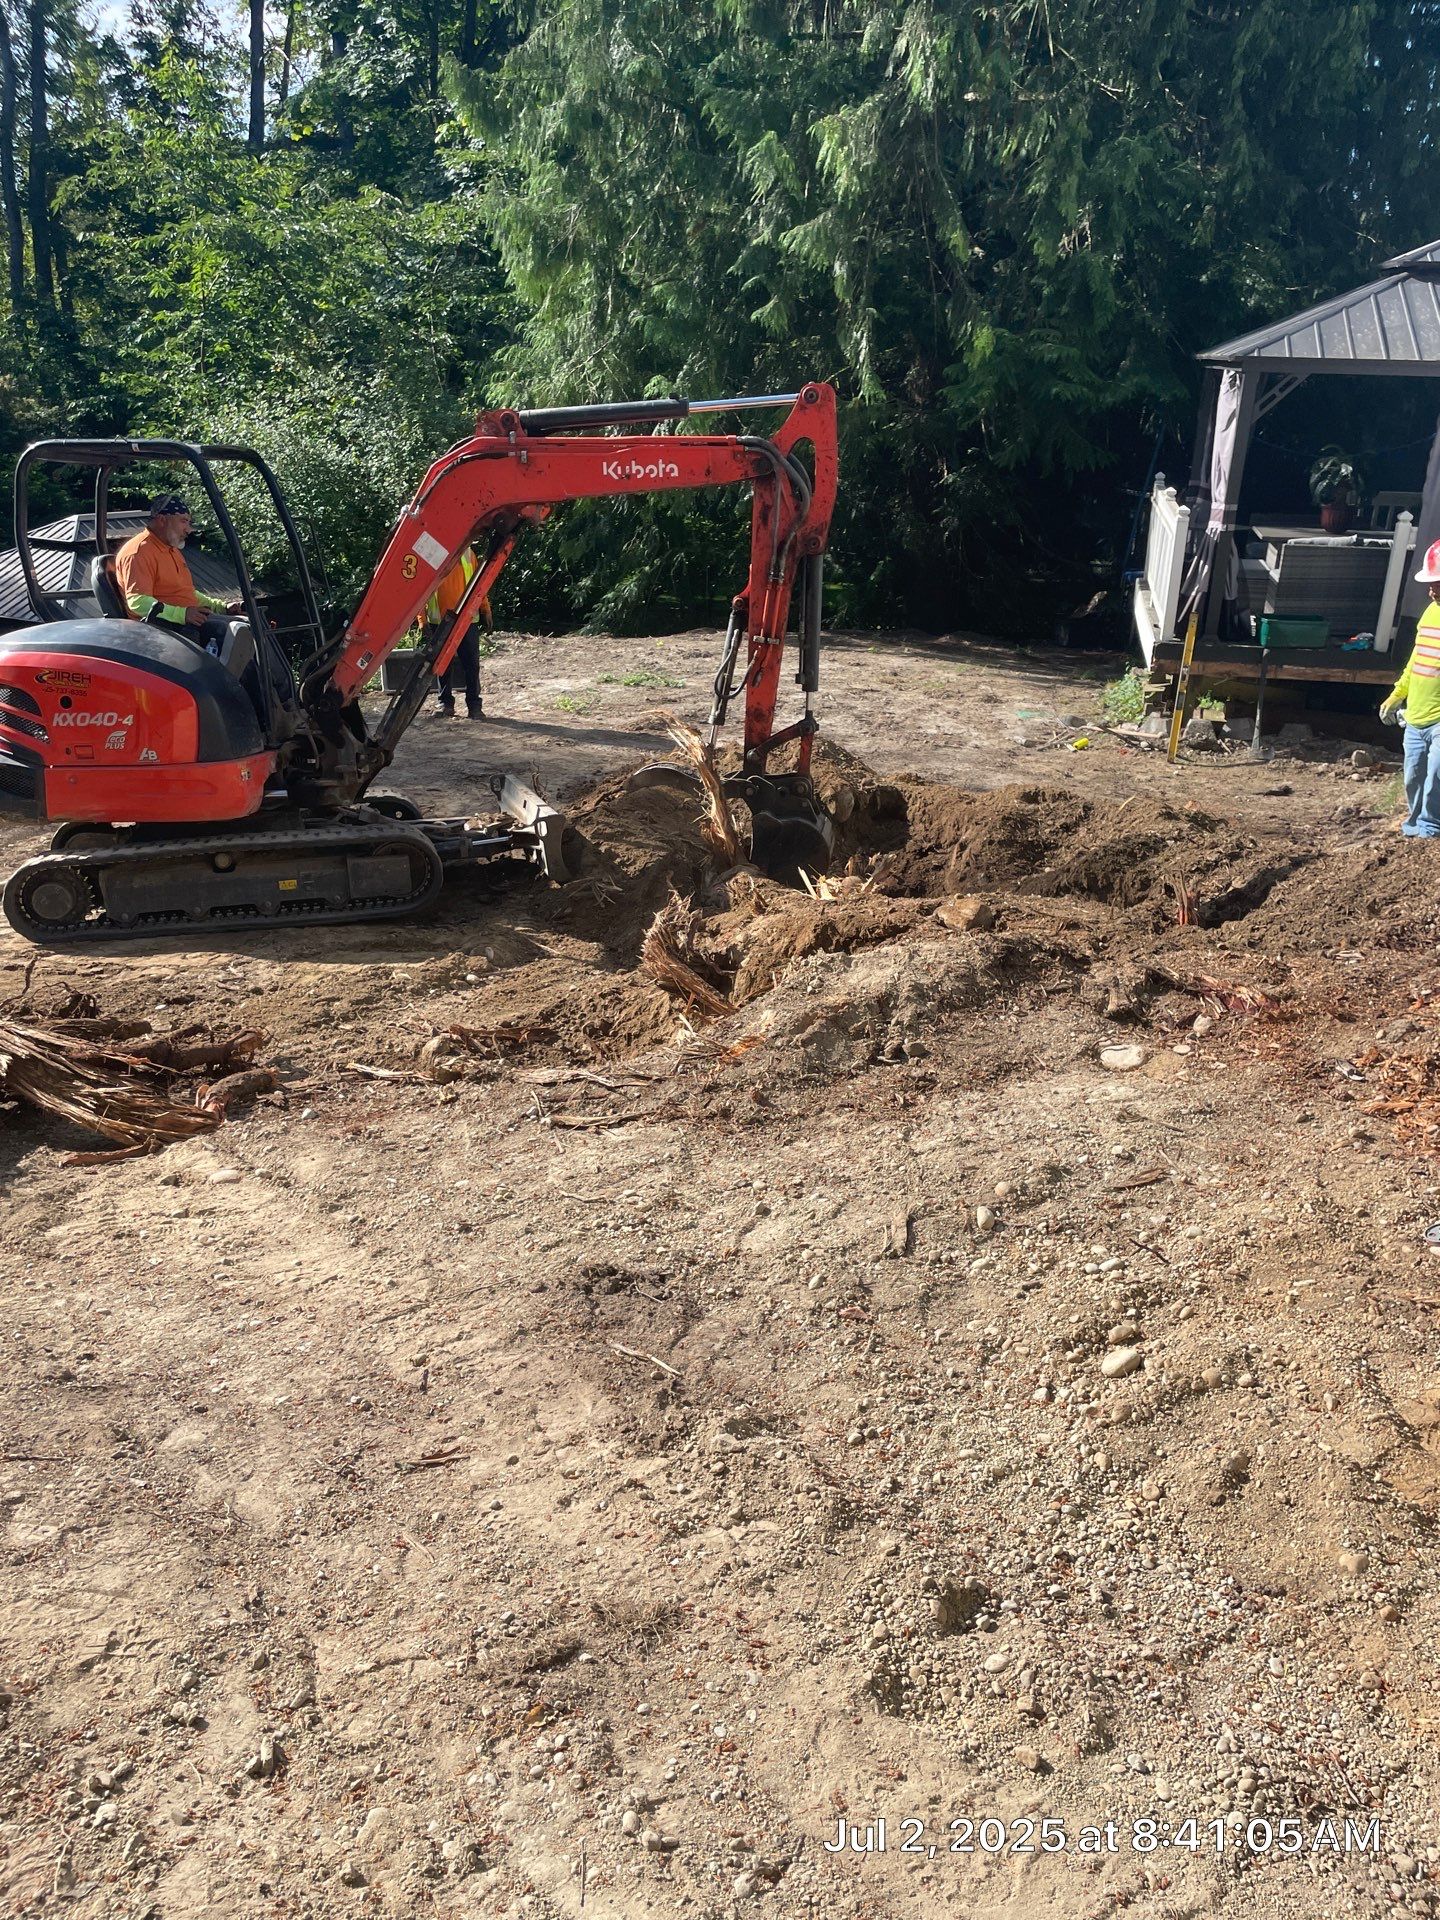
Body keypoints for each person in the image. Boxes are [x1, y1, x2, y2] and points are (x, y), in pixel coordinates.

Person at [114, 495, 241, 654]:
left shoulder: (171, 550)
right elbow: (137, 602)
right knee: (234, 635)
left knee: (247, 626)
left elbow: (185, 592)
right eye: (183, 521)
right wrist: (183, 614)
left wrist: (220, 607)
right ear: (162, 520)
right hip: (161, 629)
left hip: (183, 621)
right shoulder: (138, 552)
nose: (188, 529)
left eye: (188, 522)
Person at [1381, 538, 1440, 838]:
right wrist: (1396, 695)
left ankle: (1430, 827)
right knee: (1413, 776)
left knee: (1436, 775)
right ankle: (1414, 826)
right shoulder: (1429, 614)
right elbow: (1417, 661)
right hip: (1415, 715)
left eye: (1438, 583)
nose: (1431, 590)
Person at [426, 546, 491, 719]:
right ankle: (445, 703)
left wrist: (485, 609)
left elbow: (479, 583)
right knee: (442, 665)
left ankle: (474, 706)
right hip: (439, 620)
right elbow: (422, 588)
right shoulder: (432, 551)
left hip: (467, 619)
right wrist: (421, 620)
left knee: (471, 664)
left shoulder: (469, 554)